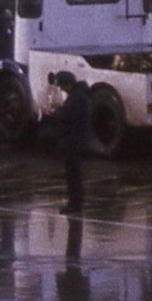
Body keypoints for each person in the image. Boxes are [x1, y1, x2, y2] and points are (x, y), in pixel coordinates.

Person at [53, 70, 90, 215]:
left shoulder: (77, 98)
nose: (61, 88)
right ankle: (75, 203)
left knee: (73, 175)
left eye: (61, 85)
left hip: (74, 141)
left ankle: (75, 204)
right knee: (74, 174)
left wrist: (57, 112)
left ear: (66, 84)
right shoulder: (78, 95)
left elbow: (70, 115)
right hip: (75, 141)